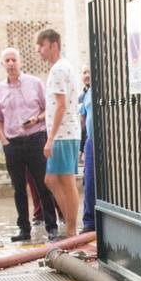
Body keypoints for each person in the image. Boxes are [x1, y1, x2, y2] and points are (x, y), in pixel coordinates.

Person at [0, 47, 59, 243]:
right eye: (7, 60)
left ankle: (51, 226)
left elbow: (48, 109)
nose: (11, 63)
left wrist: (37, 119)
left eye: (14, 60)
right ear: (2, 64)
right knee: (18, 188)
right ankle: (24, 229)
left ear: (20, 62)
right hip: (13, 144)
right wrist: (4, 140)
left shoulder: (35, 83)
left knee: (43, 184)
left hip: (35, 138)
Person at [35, 29, 80, 239]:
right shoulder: (63, 68)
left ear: (54, 45)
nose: (38, 51)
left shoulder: (58, 70)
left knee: (63, 181)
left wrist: (50, 138)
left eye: (41, 46)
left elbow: (61, 105)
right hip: (66, 132)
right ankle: (71, 226)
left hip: (63, 133)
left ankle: (72, 228)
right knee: (53, 179)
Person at [79, 66, 96, 233]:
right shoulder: (84, 95)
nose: (86, 75)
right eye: (84, 72)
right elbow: (82, 122)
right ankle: (90, 222)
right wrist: (81, 148)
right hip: (90, 142)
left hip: (103, 140)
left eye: (89, 71)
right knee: (88, 181)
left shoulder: (100, 92)